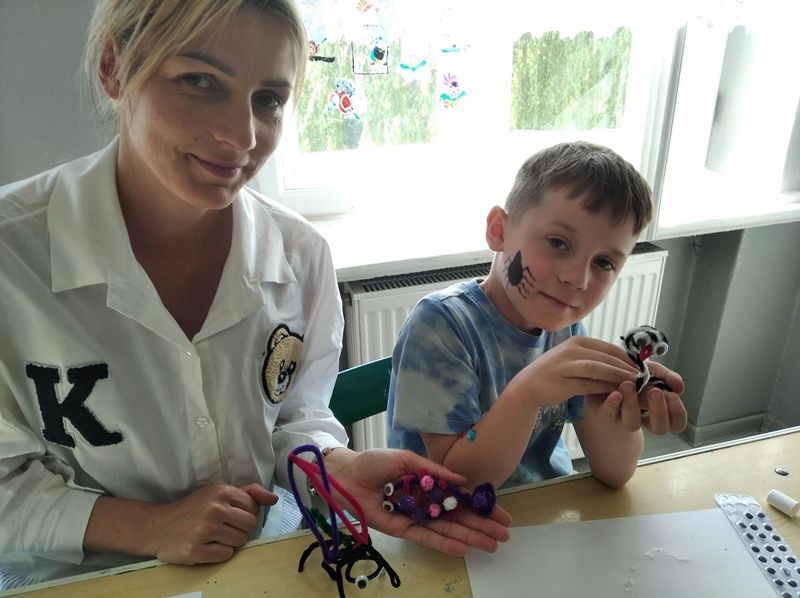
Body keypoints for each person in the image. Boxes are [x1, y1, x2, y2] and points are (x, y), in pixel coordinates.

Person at [0, 0, 510, 588]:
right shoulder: (15, 258)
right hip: (74, 578)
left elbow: (294, 417)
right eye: (199, 81)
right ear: (115, 68)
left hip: (257, 563)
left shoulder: (301, 256)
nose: (241, 136)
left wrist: (333, 469)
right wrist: (151, 526)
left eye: (267, 99)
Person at [387, 141, 688, 491]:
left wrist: (620, 404)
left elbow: (615, 472)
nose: (578, 279)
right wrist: (527, 393)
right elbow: (456, 487)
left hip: (542, 507)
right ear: (499, 231)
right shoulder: (440, 326)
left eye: (604, 263)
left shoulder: (566, 330)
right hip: (443, 516)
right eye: (558, 242)